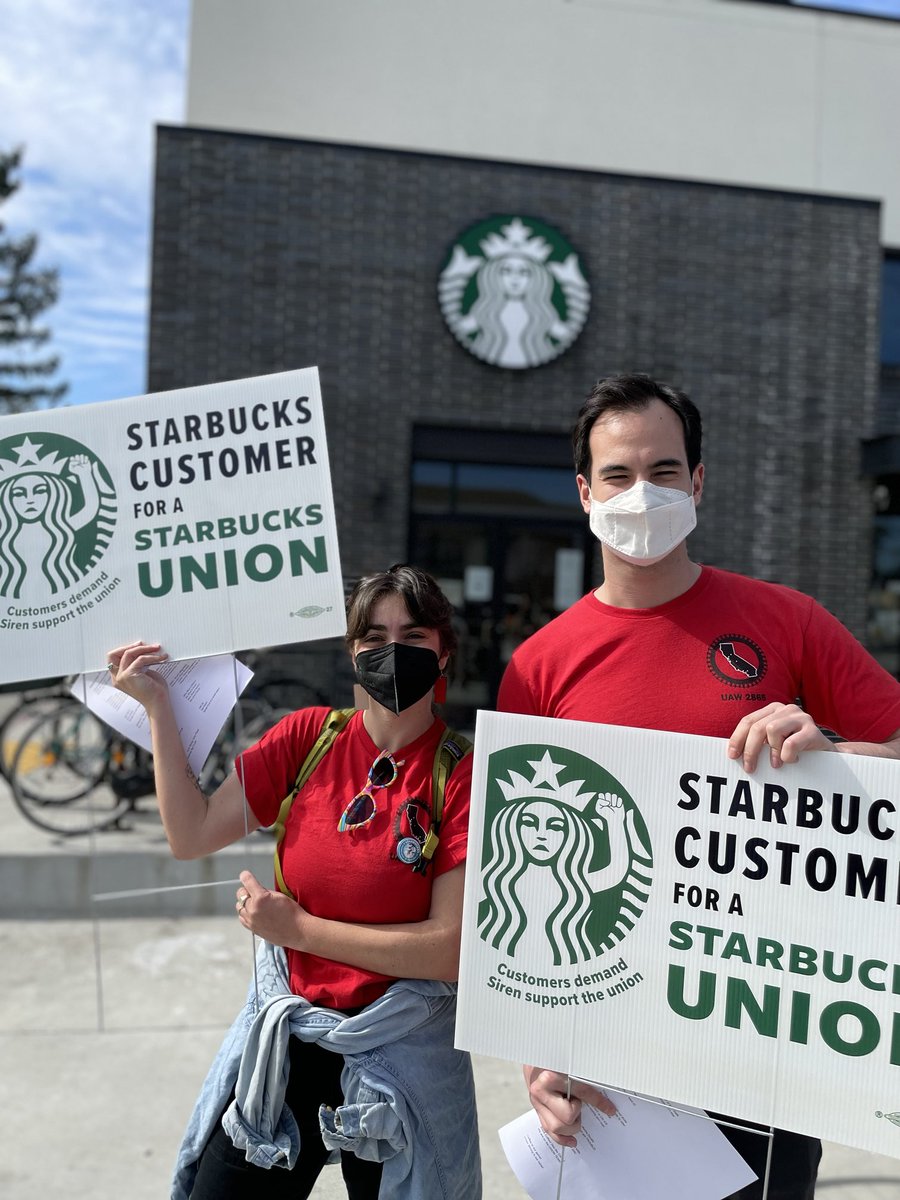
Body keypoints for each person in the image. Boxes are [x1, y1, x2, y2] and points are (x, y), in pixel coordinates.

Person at [497, 373, 900, 1200]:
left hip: (763, 1035)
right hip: (611, 1040)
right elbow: (519, 874)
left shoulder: (785, 621)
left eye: (664, 470)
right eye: (617, 474)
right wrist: (537, 1055)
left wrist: (831, 752)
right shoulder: (539, 666)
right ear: (584, 492)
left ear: (699, 482)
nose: (640, 493)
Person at [107, 564, 481, 1200]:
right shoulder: (308, 737)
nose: (392, 651)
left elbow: (448, 951)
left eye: (414, 636)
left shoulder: (464, 772)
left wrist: (299, 930)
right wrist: (157, 708)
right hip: (293, 1035)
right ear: (351, 651)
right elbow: (191, 834)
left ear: (444, 653)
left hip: (402, 1047)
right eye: (374, 636)